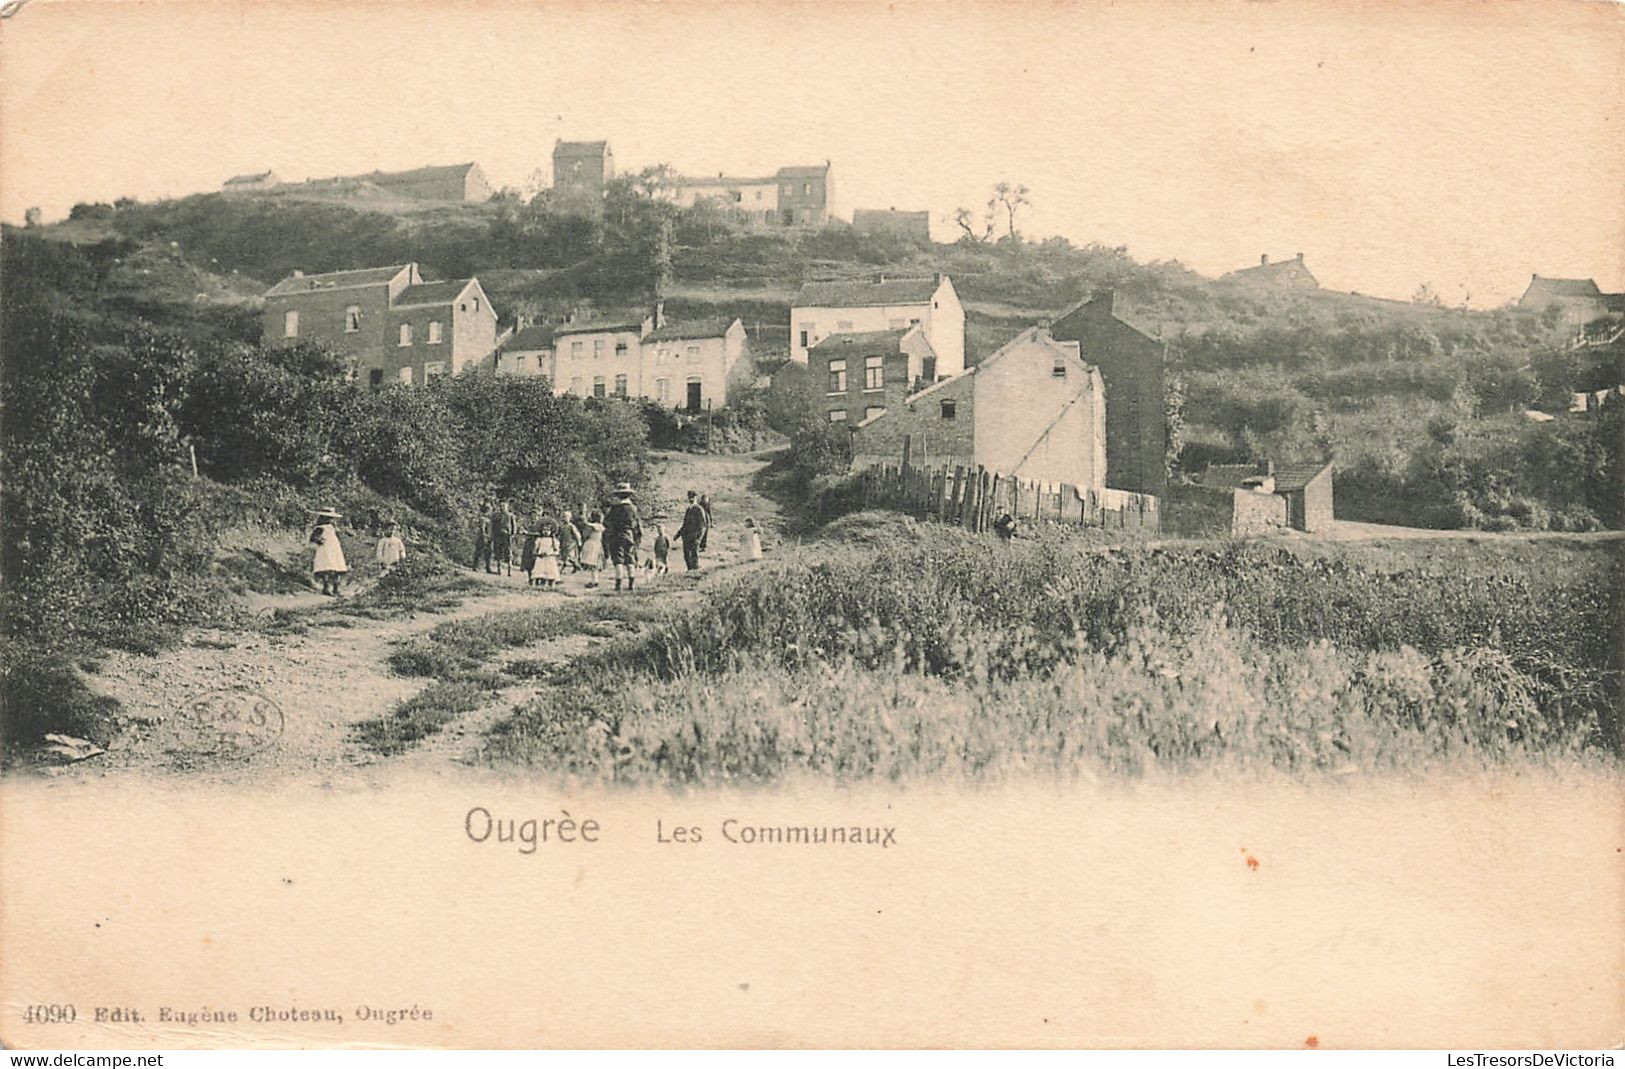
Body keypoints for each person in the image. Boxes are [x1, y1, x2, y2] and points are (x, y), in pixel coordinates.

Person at [602, 483, 644, 593]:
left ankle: (618, 585)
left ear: (618, 495)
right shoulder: (633, 508)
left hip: (617, 535)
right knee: (630, 559)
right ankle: (631, 584)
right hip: (629, 535)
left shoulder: (614, 509)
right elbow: (636, 524)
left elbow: (606, 522)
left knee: (618, 560)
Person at [309, 507, 348, 596]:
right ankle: (326, 588)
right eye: (327, 518)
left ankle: (336, 588)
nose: (329, 520)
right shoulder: (320, 528)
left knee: (337, 568)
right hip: (325, 550)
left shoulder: (331, 527)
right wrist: (319, 540)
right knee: (327, 567)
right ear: (322, 518)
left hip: (334, 549)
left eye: (330, 518)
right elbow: (313, 538)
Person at [676, 490, 707, 574]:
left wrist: (699, 538)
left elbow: (703, 526)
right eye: (690, 498)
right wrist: (678, 534)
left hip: (694, 537)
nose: (691, 499)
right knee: (686, 556)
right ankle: (689, 571)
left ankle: (695, 572)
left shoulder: (699, 509)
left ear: (696, 498)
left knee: (694, 556)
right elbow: (685, 524)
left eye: (693, 497)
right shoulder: (688, 509)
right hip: (686, 537)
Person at [488, 500, 518, 576]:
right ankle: (499, 569)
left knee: (508, 552)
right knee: (498, 552)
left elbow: (514, 526)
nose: (502, 508)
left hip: (507, 536)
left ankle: (509, 570)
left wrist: (513, 534)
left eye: (504, 506)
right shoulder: (496, 515)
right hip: (498, 535)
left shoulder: (510, 516)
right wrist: (491, 535)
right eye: (501, 506)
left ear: (507, 507)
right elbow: (492, 526)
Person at [529, 522, 561, 589]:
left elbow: (557, 551)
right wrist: (539, 554)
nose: (546, 532)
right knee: (540, 573)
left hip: (550, 559)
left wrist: (550, 553)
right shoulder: (539, 540)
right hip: (541, 559)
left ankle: (551, 586)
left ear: (551, 531)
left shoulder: (554, 540)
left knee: (551, 573)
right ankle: (540, 585)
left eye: (548, 530)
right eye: (544, 530)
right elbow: (534, 551)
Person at [578, 510, 606, 588]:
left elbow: (585, 534)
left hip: (591, 544)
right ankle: (595, 579)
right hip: (598, 544)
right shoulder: (601, 527)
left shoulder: (590, 526)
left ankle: (594, 581)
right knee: (595, 563)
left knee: (592, 563)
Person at [471, 499, 494, 572]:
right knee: (479, 551)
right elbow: (482, 529)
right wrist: (485, 536)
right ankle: (475, 566)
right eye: (489, 510)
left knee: (488, 553)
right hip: (483, 538)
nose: (490, 511)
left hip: (488, 538)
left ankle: (487, 567)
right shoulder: (483, 519)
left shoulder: (488, 519)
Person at [557, 509, 581, 573]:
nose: (564, 518)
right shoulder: (561, 526)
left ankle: (562, 570)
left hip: (571, 544)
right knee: (564, 557)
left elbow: (576, 534)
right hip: (563, 544)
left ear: (570, 518)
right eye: (563, 517)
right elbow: (558, 534)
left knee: (568, 557)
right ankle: (575, 565)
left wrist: (579, 542)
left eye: (566, 517)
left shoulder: (571, 526)